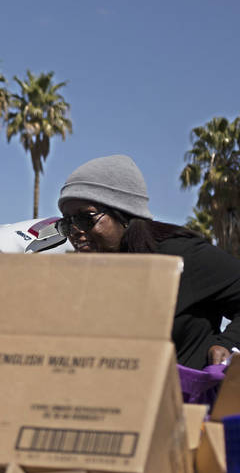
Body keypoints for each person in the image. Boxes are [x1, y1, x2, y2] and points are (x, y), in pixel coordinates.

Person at [57, 154, 240, 369]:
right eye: (67, 222)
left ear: (124, 215)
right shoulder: (91, 276)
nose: (75, 231)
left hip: (186, 398)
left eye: (86, 217)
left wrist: (227, 343)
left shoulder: (179, 257)